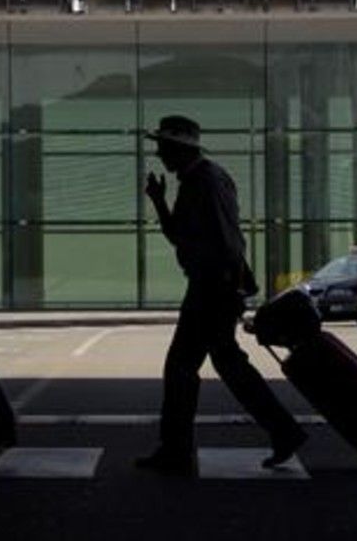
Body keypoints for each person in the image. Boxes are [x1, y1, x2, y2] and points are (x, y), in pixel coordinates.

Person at [137, 115, 306, 475]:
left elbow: (225, 242)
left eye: (164, 146)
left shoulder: (203, 183)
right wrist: (159, 201)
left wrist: (225, 283)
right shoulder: (207, 178)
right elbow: (184, 236)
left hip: (211, 287)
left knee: (183, 366)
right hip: (217, 286)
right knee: (226, 363)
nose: (159, 152)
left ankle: (177, 451)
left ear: (179, 148)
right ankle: (283, 431)